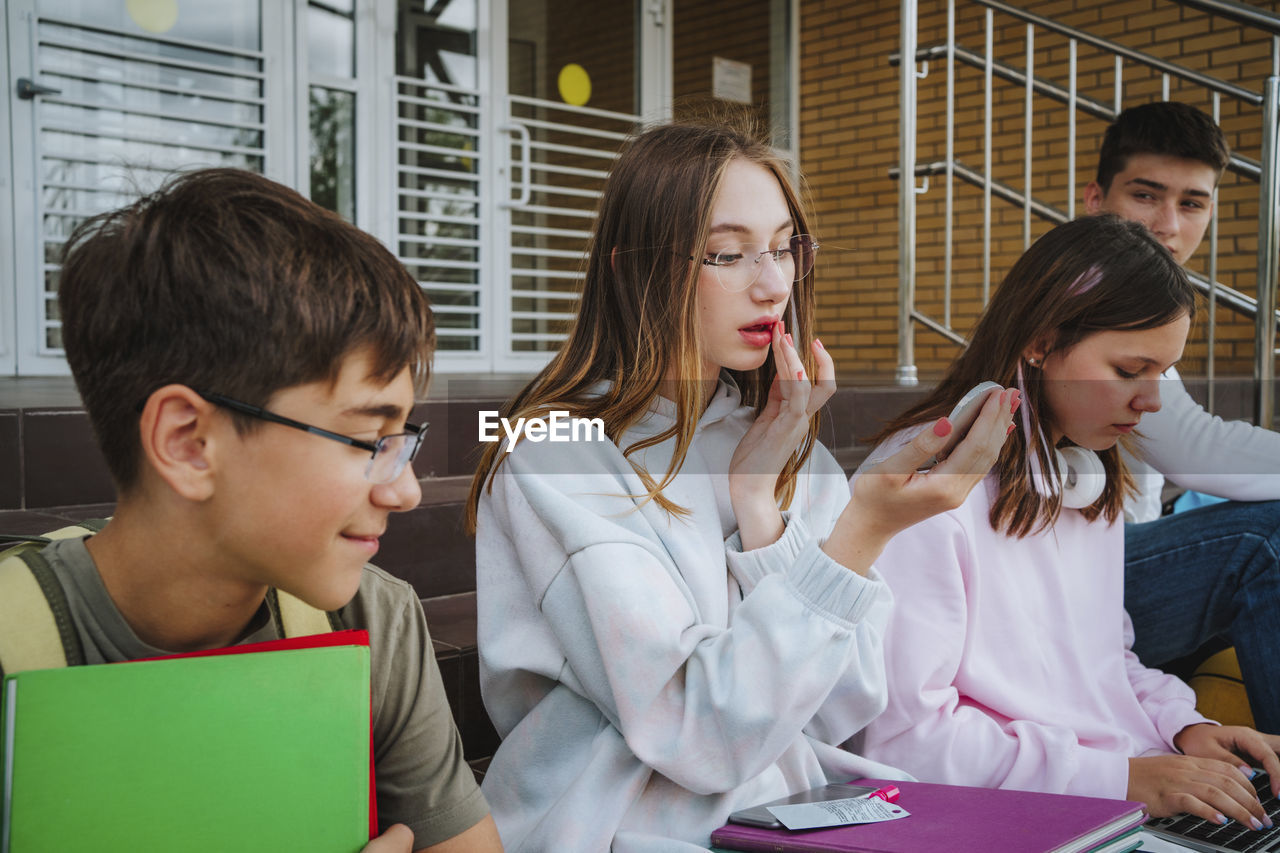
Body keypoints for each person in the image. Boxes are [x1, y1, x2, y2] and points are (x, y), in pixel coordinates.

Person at [466, 115, 1017, 851]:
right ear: (635, 268)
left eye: (786, 248)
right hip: (608, 824)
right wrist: (860, 534)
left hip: (783, 815)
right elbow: (698, 735)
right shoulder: (555, 455)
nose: (774, 283)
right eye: (728, 254)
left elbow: (841, 703)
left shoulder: (781, 445)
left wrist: (763, 513)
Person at [47, 168, 502, 853]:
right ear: (190, 443)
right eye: (365, 439)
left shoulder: (375, 621)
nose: (404, 491)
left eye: (401, 440)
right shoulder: (20, 637)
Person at [852, 214, 1280, 830]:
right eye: (1130, 371)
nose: (1152, 400)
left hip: (1120, 786)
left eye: (1162, 372)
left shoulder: (1082, 476)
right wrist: (1121, 780)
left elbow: (1108, 661)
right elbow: (903, 742)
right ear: (1041, 341)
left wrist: (1183, 727)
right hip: (1034, 813)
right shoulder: (925, 491)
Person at [1082, 101, 1280, 734]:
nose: (1168, 224)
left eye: (1192, 203)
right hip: (1059, 581)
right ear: (1096, 199)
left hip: (1108, 559)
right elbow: (1196, 446)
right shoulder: (1085, 293)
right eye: (1146, 195)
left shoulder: (1139, 296)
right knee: (1265, 538)